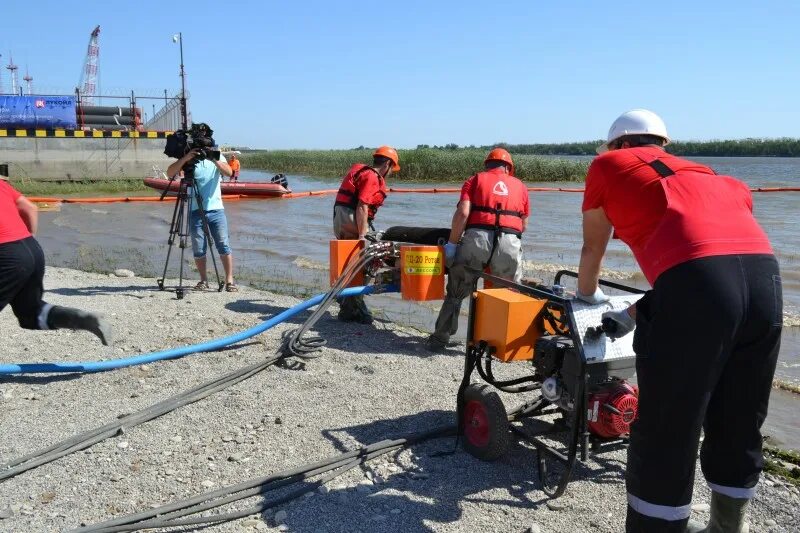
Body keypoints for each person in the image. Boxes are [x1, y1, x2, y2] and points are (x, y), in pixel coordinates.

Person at [576, 109, 781, 533]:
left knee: (669, 426)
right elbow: (716, 266)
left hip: (699, 285)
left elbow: (593, 249)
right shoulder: (712, 176)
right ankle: (728, 527)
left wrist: (586, 299)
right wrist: (636, 313)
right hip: (766, 282)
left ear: (616, 145)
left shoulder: (604, 165)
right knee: (739, 416)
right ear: (663, 144)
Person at [427, 148, 529, 351]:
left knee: (456, 292)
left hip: (477, 239)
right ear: (508, 168)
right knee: (506, 294)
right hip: (509, 241)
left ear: (486, 165)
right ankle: (497, 345)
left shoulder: (474, 180)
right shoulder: (521, 186)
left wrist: (452, 245)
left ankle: (440, 339)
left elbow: (463, 213)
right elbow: (523, 224)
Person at [0, 178, 112, 345]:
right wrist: (27, 246)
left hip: (6, 253)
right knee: (31, 312)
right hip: (31, 248)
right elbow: (30, 208)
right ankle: (81, 319)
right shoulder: (2, 184)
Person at [332, 145, 399, 323]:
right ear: (388, 164)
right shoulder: (371, 176)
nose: (391, 173)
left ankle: (346, 303)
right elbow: (362, 205)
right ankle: (354, 307)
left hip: (341, 219)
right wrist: (362, 235)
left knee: (350, 265)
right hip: (353, 220)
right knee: (366, 263)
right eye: (392, 169)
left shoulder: (361, 172)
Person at [166, 133, 237, 292]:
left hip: (216, 209)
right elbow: (170, 172)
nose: (203, 149)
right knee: (198, 248)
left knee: (223, 245)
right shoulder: (190, 159)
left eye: (206, 146)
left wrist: (214, 159)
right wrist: (185, 158)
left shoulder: (217, 156)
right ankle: (203, 280)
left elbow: (229, 173)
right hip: (195, 210)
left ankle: (229, 280)